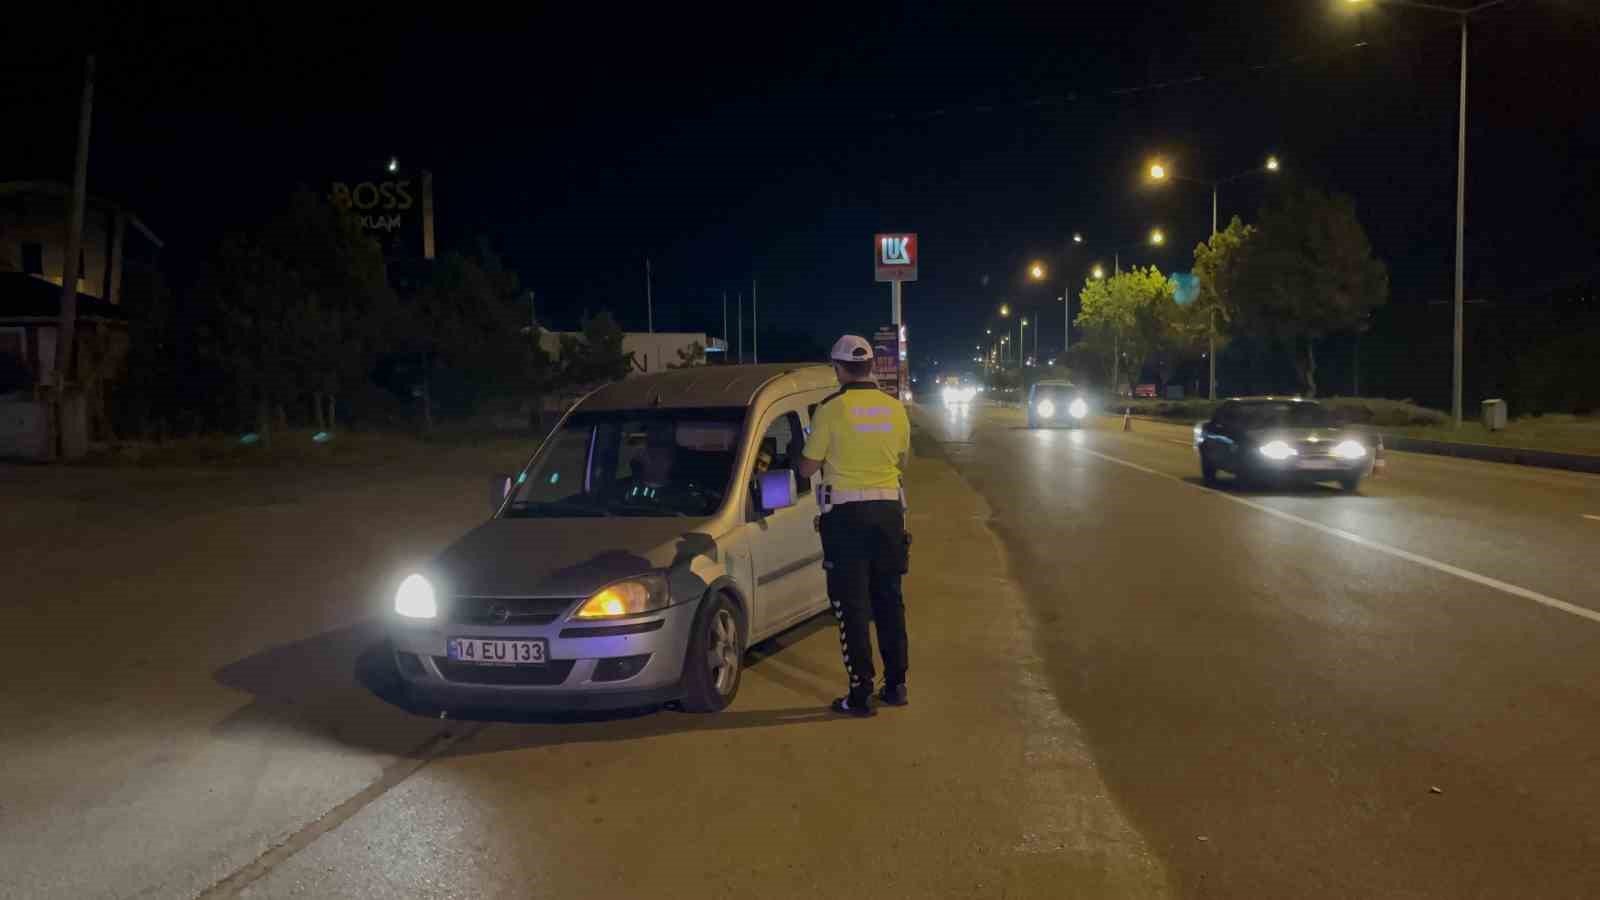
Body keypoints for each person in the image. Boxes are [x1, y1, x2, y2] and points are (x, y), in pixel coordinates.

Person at [795, 335, 912, 717]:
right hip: (889, 513)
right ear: (871, 367)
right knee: (890, 600)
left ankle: (860, 693)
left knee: (853, 606)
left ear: (838, 369)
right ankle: (895, 686)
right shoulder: (894, 409)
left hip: (847, 519)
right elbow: (902, 458)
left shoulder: (831, 409)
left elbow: (808, 467)